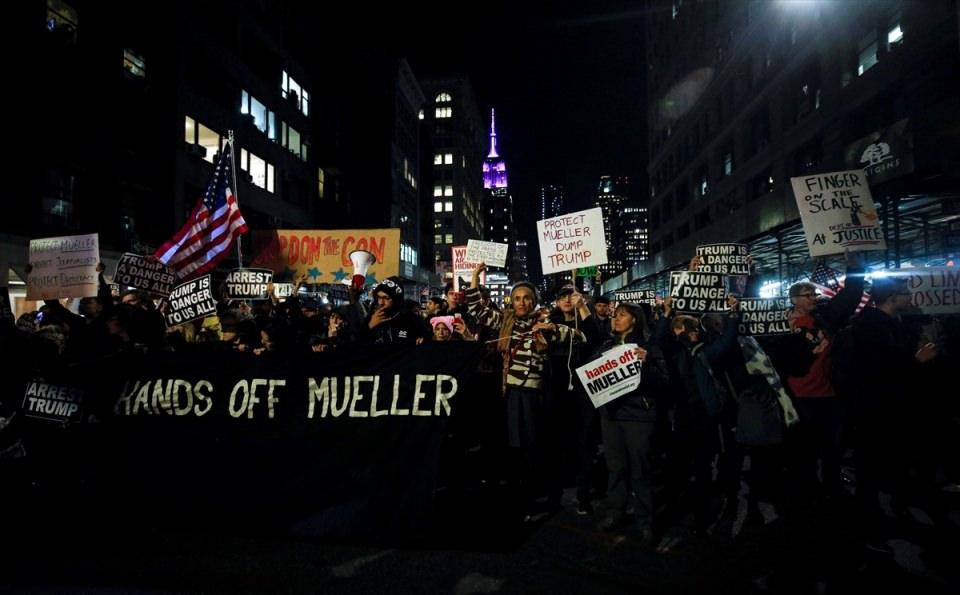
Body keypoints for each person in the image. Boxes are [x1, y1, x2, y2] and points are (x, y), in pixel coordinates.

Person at [466, 262, 585, 518]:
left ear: (534, 301)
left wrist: (553, 329)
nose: (522, 302)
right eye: (517, 298)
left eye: (527, 298)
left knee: (533, 445)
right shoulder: (505, 320)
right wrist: (475, 277)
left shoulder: (545, 322)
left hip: (535, 396)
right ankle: (518, 494)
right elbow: (476, 309)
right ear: (512, 301)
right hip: (510, 393)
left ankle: (536, 493)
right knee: (513, 446)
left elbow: (579, 337)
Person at [594, 302, 665, 547]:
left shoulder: (648, 346)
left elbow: (663, 381)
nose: (616, 319)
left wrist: (647, 363)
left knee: (640, 470)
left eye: (622, 315)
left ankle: (645, 521)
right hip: (611, 416)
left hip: (638, 416)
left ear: (634, 320)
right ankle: (616, 511)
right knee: (616, 468)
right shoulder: (606, 346)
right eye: (615, 315)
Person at [359, 277, 430, 345]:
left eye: (386, 298)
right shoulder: (372, 317)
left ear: (396, 300)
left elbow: (427, 339)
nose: (380, 302)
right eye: (379, 297)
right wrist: (370, 326)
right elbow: (359, 343)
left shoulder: (412, 320)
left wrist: (423, 339)